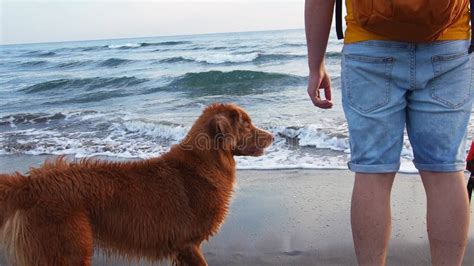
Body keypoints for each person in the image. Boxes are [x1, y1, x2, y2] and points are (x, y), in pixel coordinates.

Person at [305, 0, 472, 265]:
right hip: (449, 41)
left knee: (373, 172)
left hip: (369, 44)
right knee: (445, 171)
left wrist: (315, 66)